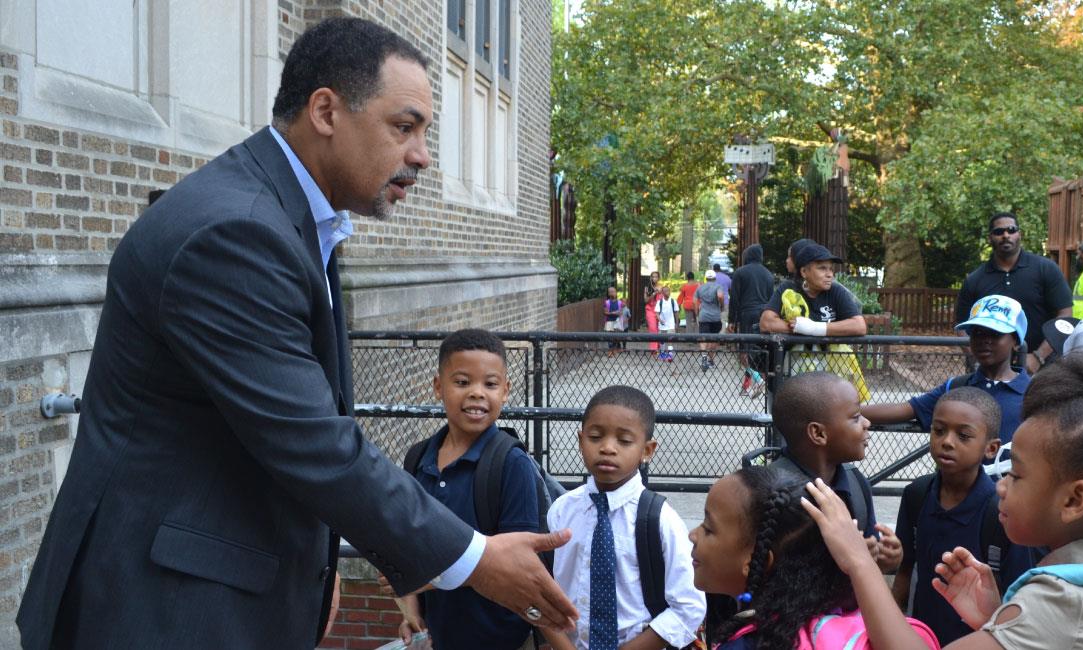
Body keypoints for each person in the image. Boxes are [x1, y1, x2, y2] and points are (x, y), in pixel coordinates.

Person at [15, 17, 576, 649]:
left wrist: (312, 564)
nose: (421, 155)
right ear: (326, 111)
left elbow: (270, 433)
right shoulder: (235, 232)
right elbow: (313, 441)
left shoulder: (292, 213)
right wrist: (474, 559)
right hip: (164, 611)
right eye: (405, 126)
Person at [804, 352, 1083, 649]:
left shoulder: (1066, 600)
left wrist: (858, 561)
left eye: (1018, 474)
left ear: (1074, 500)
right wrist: (998, 619)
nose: (1003, 486)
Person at [395, 330, 540, 649]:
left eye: (489, 384)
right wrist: (411, 612)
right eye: (462, 382)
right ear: (438, 387)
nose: (477, 393)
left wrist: (433, 577)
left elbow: (516, 566)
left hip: (501, 640)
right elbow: (407, 548)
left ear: (505, 391)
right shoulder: (418, 458)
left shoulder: (511, 464)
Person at [691, 468, 941, 650]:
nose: (693, 535)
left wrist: (860, 560)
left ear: (755, 561)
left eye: (708, 528)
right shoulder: (855, 618)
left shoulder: (747, 645)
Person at [541, 386, 705, 650]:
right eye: (595, 437)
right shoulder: (562, 511)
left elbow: (689, 606)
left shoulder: (661, 520)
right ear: (580, 440)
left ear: (647, 450)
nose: (607, 448)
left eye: (624, 441)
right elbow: (543, 592)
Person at [892, 388, 1026, 644]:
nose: (947, 442)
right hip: (920, 638)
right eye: (939, 430)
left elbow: (1018, 597)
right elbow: (906, 566)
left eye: (963, 435)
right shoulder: (916, 494)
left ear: (991, 448)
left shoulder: (1002, 511)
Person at [767, 372, 899, 572]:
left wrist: (883, 559)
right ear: (818, 433)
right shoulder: (772, 495)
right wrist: (852, 561)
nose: (867, 423)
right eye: (855, 418)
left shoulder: (855, 483)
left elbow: (869, 556)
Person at [863, 294, 1030, 445]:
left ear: (1015, 341)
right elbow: (908, 409)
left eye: (995, 333)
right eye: (978, 333)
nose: (984, 340)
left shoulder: (1032, 394)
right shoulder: (957, 387)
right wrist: (847, 413)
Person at [955, 212, 1073, 373]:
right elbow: (960, 327)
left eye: (1011, 230)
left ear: (1019, 234)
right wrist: (978, 361)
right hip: (991, 372)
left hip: (1042, 369)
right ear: (990, 237)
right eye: (999, 231)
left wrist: (1038, 356)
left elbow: (1065, 315)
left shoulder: (1046, 269)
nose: (1005, 235)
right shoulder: (975, 279)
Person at [761, 243, 866, 338]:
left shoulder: (836, 291)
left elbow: (859, 326)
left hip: (829, 358)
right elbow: (766, 323)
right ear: (804, 272)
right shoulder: (788, 289)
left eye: (831, 269)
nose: (830, 274)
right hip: (791, 358)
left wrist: (813, 328)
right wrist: (799, 327)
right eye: (822, 268)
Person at [729, 243, 775, 396]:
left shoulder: (740, 273)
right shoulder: (769, 274)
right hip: (764, 316)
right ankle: (746, 386)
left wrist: (732, 320)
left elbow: (734, 298)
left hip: (747, 314)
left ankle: (759, 380)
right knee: (758, 351)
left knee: (744, 353)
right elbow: (771, 299)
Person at [696, 269, 727, 371]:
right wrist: (722, 306)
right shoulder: (718, 286)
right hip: (715, 316)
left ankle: (704, 357)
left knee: (703, 337)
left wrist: (696, 313)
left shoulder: (700, 288)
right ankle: (711, 360)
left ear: (706, 277)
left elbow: (694, 301)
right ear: (715, 278)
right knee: (714, 338)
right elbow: (720, 296)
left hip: (703, 316)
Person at [644, 270, 662, 353]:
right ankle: (653, 349)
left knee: (659, 329)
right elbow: (646, 300)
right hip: (650, 310)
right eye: (653, 277)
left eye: (656, 277)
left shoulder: (661, 287)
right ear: (650, 278)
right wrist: (654, 293)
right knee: (653, 328)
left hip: (659, 310)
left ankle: (658, 346)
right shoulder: (647, 287)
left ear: (658, 278)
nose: (654, 278)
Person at [603, 286, 625, 355]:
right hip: (609, 321)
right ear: (608, 294)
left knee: (616, 336)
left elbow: (621, 312)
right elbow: (605, 312)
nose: (612, 293)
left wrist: (618, 313)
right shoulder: (607, 302)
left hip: (617, 322)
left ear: (616, 293)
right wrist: (612, 313)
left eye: (614, 291)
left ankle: (615, 348)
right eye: (611, 292)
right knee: (609, 336)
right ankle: (610, 350)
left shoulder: (619, 302)